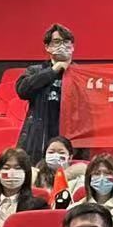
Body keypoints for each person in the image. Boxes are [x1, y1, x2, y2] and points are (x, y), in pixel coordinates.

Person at [16, 22, 75, 162]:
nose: (62, 46)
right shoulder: (35, 71)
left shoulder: (81, 74)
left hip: (70, 138)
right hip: (39, 138)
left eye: (66, 42)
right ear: (47, 47)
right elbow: (22, 90)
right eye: (57, 42)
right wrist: (54, 70)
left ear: (72, 47)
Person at [81, 153, 113, 227]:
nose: (102, 178)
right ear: (89, 178)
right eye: (96, 173)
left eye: (108, 173)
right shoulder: (76, 208)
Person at [34, 137, 79, 208]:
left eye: (61, 153)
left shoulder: (78, 177)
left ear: (70, 157)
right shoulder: (35, 176)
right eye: (51, 152)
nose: (55, 156)